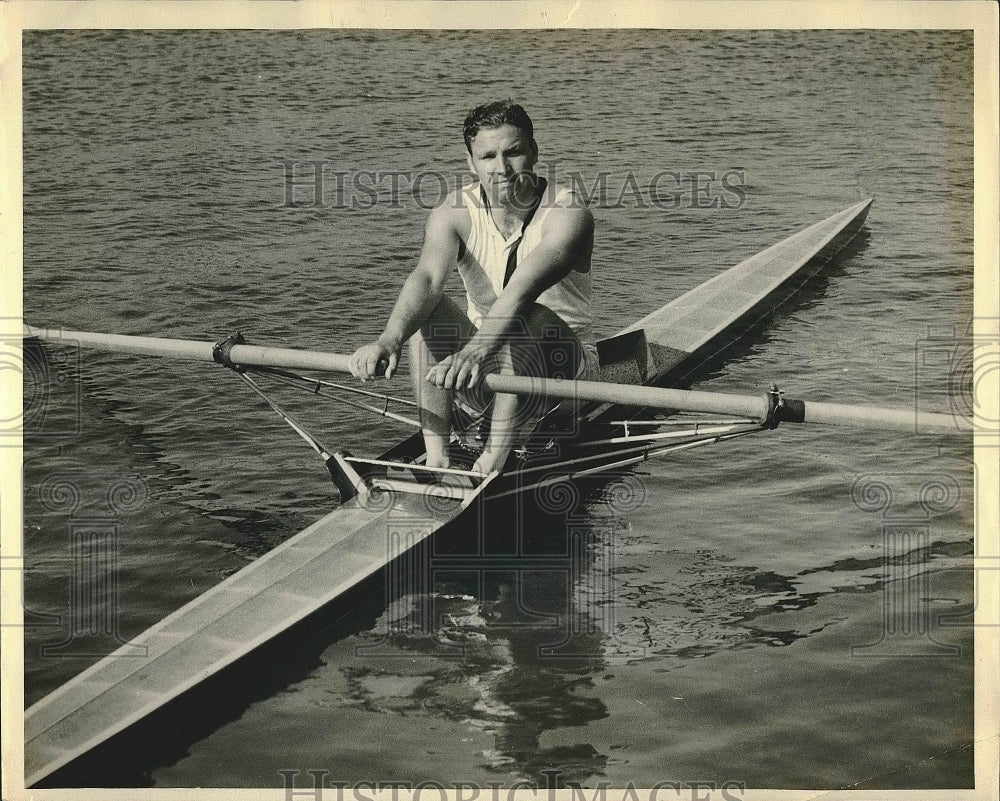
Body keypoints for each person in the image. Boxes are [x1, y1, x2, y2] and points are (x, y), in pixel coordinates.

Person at [349, 100, 594, 476]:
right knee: (426, 314)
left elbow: (519, 292)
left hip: (563, 374)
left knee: (523, 314)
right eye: (488, 156)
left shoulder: (568, 213)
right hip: (488, 370)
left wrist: (475, 352)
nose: (502, 168)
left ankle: (492, 464)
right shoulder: (454, 212)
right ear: (471, 162)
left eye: (513, 152)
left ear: (534, 153)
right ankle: (437, 454)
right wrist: (388, 339)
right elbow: (427, 280)